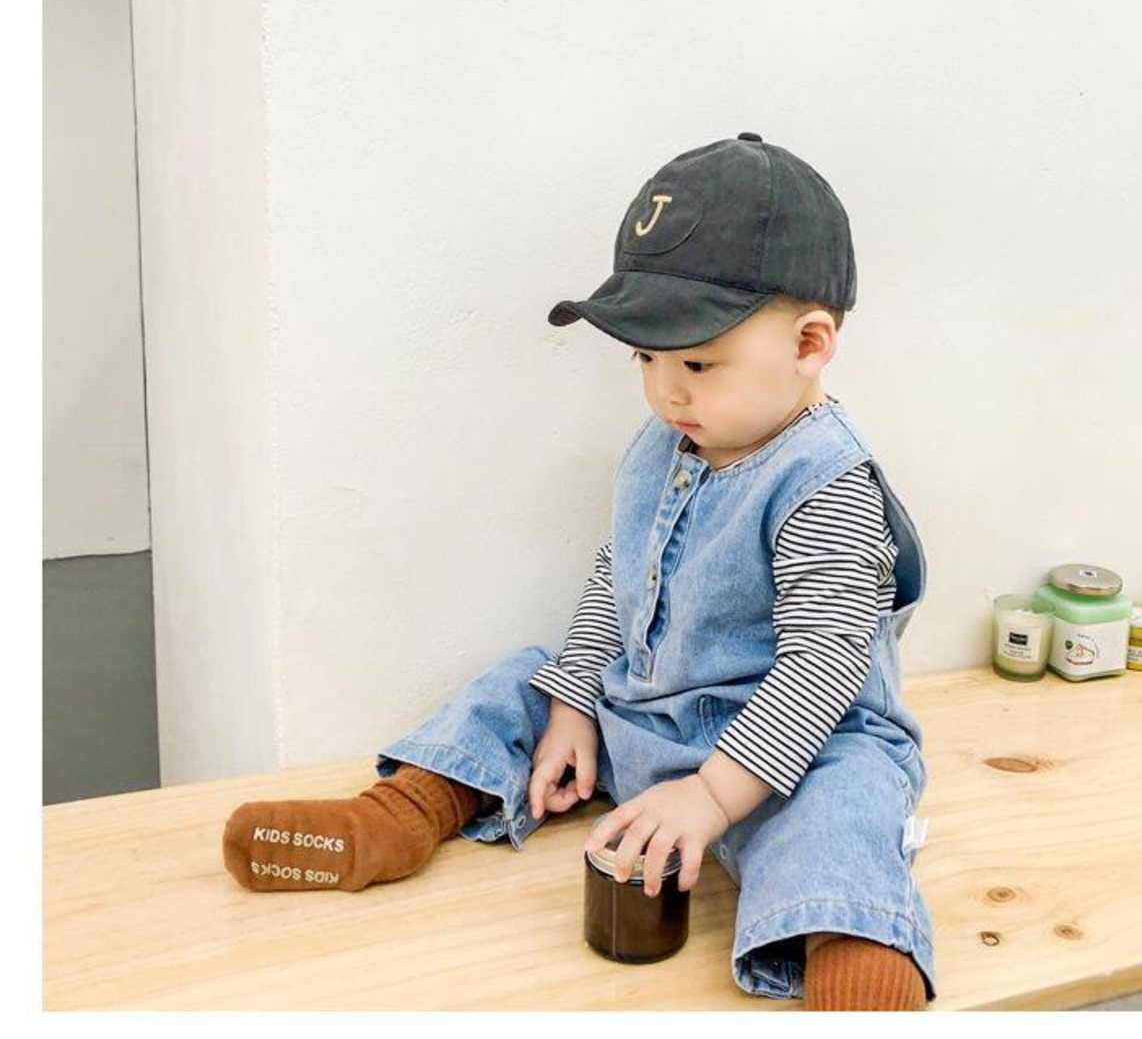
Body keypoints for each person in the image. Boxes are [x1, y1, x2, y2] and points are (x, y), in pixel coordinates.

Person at [222, 132, 935, 1010]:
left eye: (697, 362)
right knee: (522, 680)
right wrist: (573, 705)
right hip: (646, 721)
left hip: (792, 751)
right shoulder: (669, 442)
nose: (667, 392)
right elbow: (619, 573)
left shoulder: (825, 487)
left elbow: (821, 669)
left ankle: (857, 976)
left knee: (845, 816)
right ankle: (397, 818)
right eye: (646, 359)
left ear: (810, 343)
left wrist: (715, 796)